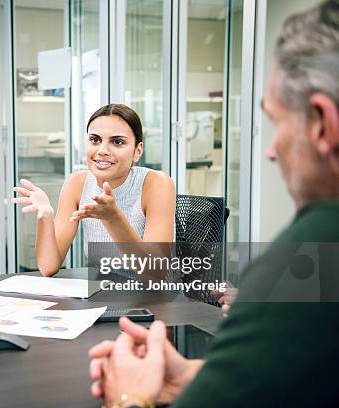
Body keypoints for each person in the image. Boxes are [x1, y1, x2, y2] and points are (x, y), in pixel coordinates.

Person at [88, 1, 339, 406]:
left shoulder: (318, 244)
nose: (271, 151)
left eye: (277, 123)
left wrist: (128, 396)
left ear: (323, 123)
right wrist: (192, 373)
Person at [13, 104, 175, 277]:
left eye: (117, 142)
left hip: (157, 297)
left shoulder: (157, 184)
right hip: (105, 291)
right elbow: (48, 267)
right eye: (95, 140)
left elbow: (155, 273)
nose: (102, 150)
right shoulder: (77, 183)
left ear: (137, 151)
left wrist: (113, 218)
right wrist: (45, 216)